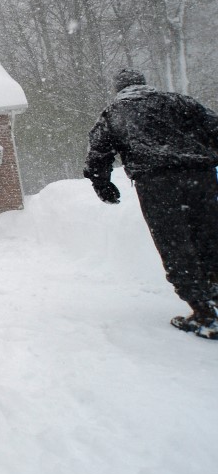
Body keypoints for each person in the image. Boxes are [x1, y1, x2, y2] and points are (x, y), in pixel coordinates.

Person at [84, 68, 218, 339]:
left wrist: (103, 184)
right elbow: (214, 127)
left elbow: (98, 153)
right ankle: (213, 291)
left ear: (118, 88)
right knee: (209, 236)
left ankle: (204, 312)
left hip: (158, 186)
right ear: (143, 84)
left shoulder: (114, 114)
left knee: (175, 245)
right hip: (200, 178)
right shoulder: (180, 102)